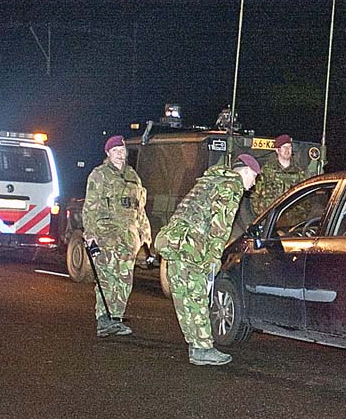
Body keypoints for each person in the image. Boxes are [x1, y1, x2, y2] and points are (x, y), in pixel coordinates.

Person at [154, 153, 261, 366]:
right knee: (197, 296)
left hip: (175, 241)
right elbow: (219, 226)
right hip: (192, 245)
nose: (254, 182)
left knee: (184, 297)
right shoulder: (232, 187)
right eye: (254, 176)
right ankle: (203, 348)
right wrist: (214, 257)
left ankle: (195, 346)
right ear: (246, 171)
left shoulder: (212, 180)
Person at [82, 135, 153, 338]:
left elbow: (140, 209)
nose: (120, 155)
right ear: (108, 154)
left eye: (122, 151)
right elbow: (90, 207)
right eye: (116, 152)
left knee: (124, 279)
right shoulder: (100, 175)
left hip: (128, 238)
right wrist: (90, 235)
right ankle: (103, 319)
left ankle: (116, 318)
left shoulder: (133, 176)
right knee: (106, 277)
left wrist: (146, 235)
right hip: (106, 234)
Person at [251, 134, 306, 216]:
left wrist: (300, 216)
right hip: (270, 218)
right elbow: (255, 196)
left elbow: (305, 198)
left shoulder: (299, 172)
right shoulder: (267, 170)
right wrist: (262, 214)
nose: (287, 150)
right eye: (284, 147)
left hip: (292, 220)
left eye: (289, 147)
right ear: (277, 150)